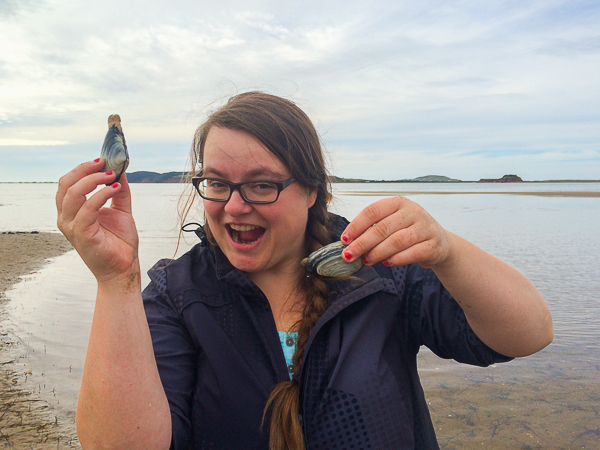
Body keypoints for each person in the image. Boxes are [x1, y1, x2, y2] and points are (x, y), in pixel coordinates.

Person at [56, 92, 553, 450]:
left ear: (313, 190)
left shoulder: (377, 269)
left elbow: (526, 334)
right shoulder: (178, 295)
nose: (233, 206)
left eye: (261, 185)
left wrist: (447, 251)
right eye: (216, 182)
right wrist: (115, 281)